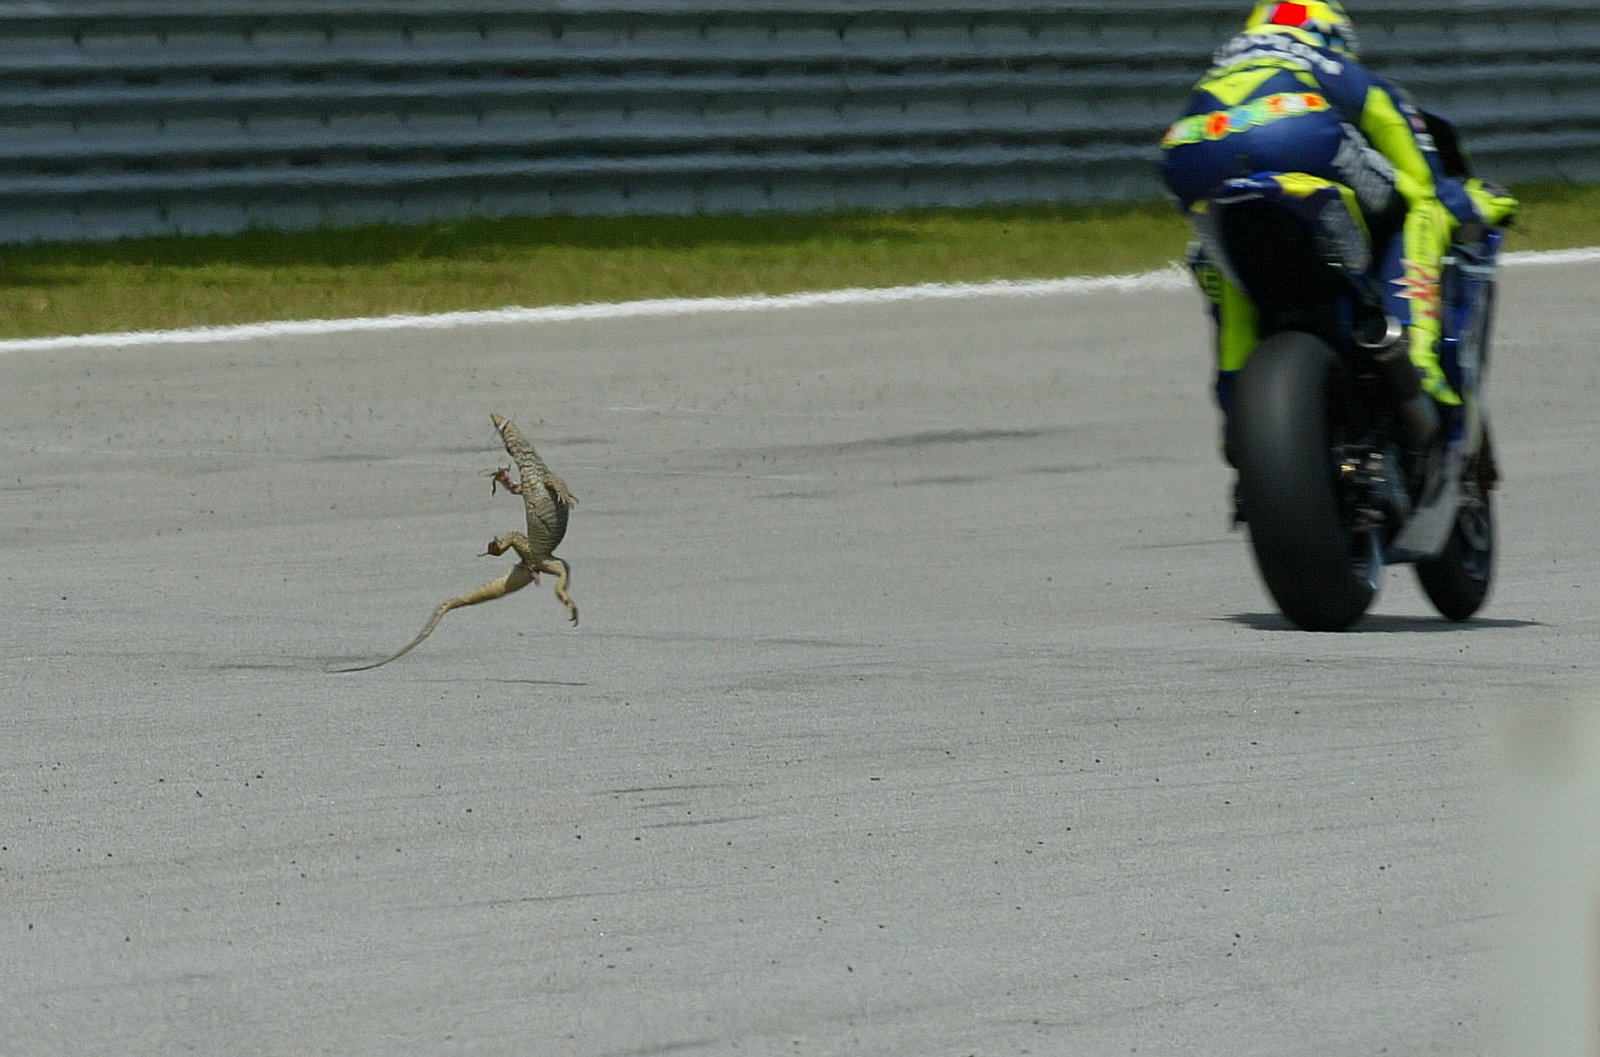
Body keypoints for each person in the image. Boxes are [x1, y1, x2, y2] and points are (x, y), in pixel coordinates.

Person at [1157, 1, 1517, 435]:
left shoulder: (1227, 60)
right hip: (1296, 132)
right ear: (1332, 35)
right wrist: (1473, 201)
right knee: (1422, 207)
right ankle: (1419, 361)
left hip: (1186, 151)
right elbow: (1411, 154)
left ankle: (1237, 401)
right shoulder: (1322, 58)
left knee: (1216, 262)